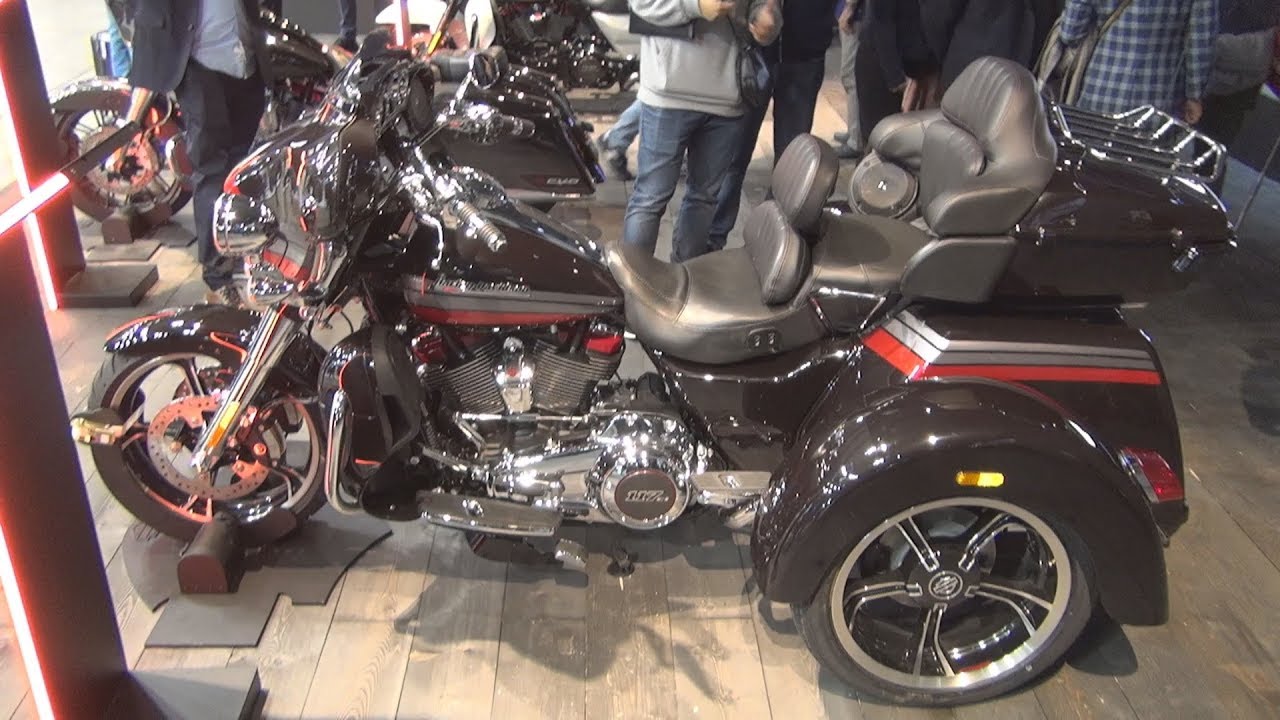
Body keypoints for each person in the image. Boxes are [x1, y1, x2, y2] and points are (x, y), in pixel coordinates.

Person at [123, 0, 272, 304]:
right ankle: (218, 276)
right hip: (198, 63)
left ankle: (242, 250)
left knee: (243, 166)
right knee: (213, 169)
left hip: (245, 59)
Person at [624, 0, 781, 263]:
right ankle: (632, 281)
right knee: (650, 198)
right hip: (668, 92)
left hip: (727, 95)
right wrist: (694, 5)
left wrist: (766, 19)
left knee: (704, 200)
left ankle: (688, 281)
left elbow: (763, 9)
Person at [707, 0, 839, 252]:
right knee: (733, 157)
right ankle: (712, 242)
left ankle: (774, 244)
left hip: (805, 49)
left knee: (790, 162)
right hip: (752, 48)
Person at [1059, 0, 1218, 122]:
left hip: (1099, 93)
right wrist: (1194, 95)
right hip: (1158, 104)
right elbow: (1201, 43)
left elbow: (1070, 33)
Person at [833, 0, 865, 160]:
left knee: (851, 76)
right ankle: (853, 130)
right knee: (850, 77)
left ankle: (856, 139)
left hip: (856, 14)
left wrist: (850, 7)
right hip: (852, 12)